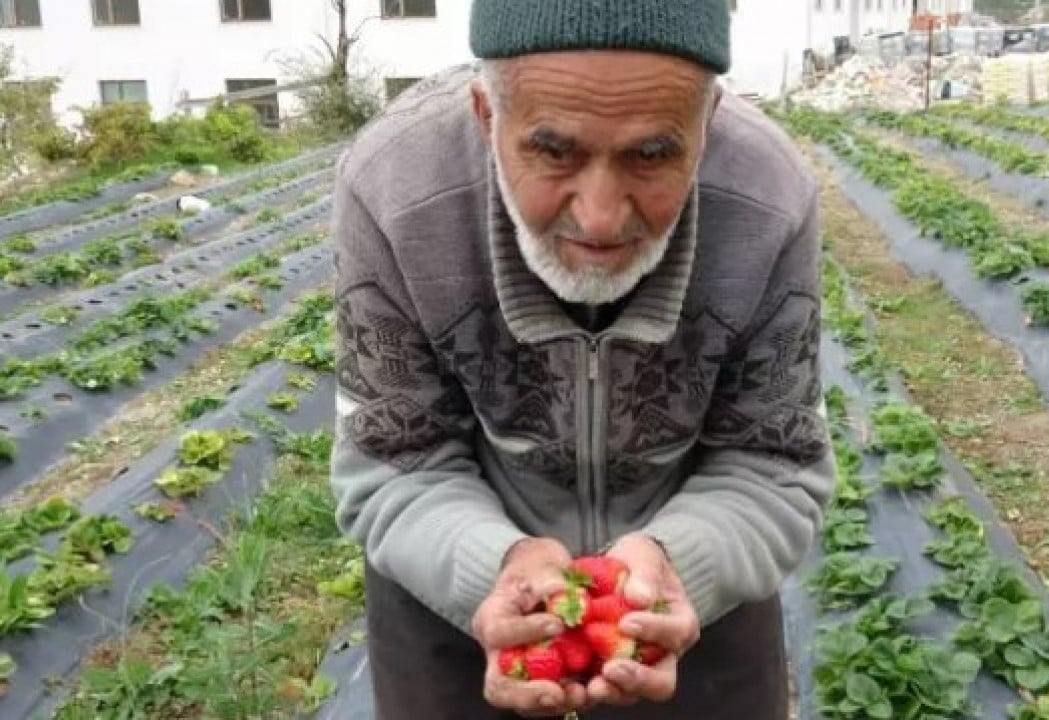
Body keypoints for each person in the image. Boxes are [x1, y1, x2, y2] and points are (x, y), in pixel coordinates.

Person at [329, 1, 836, 717]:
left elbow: (774, 459)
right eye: (554, 151)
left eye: (652, 155)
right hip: (459, 590)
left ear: (708, 123)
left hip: (690, 599)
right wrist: (493, 572)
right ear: (485, 116)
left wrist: (681, 565)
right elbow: (395, 456)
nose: (600, 215)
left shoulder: (769, 197)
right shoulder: (395, 189)